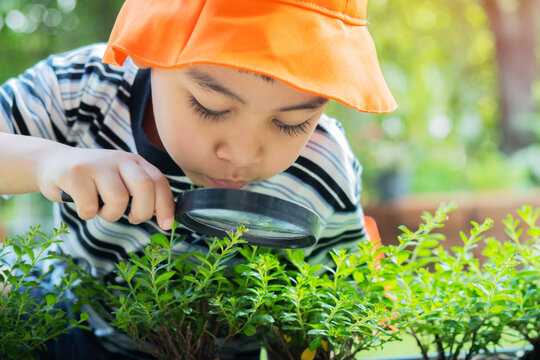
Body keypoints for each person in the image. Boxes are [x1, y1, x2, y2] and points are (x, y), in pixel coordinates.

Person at [0, 0, 397, 358]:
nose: (241, 154)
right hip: (72, 328)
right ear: (152, 49)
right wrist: (46, 163)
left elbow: (332, 305)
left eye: (290, 122)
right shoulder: (84, 91)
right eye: (210, 106)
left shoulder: (323, 168)